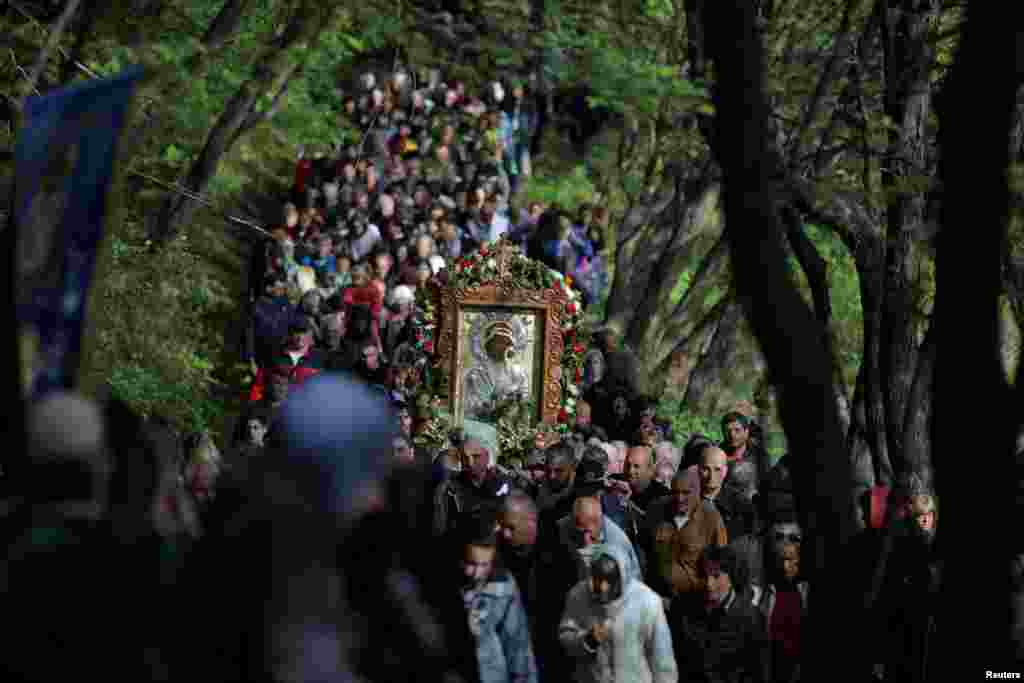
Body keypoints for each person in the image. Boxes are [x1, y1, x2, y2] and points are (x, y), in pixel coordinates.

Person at [558, 546, 678, 683]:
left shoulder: (647, 602)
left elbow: (662, 660)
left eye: (609, 580)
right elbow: (566, 639)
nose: (603, 587)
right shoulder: (578, 597)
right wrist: (587, 641)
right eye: (598, 579)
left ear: (622, 577)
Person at [668, 544, 771, 683]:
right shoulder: (688, 612)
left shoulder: (753, 619)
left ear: (731, 578)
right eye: (705, 576)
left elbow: (759, 673)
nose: (709, 584)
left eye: (716, 576)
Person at [457, 510, 539, 683]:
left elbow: (518, 648)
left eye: (484, 565)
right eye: (471, 564)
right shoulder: (441, 586)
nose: (477, 573)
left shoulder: (503, 586)